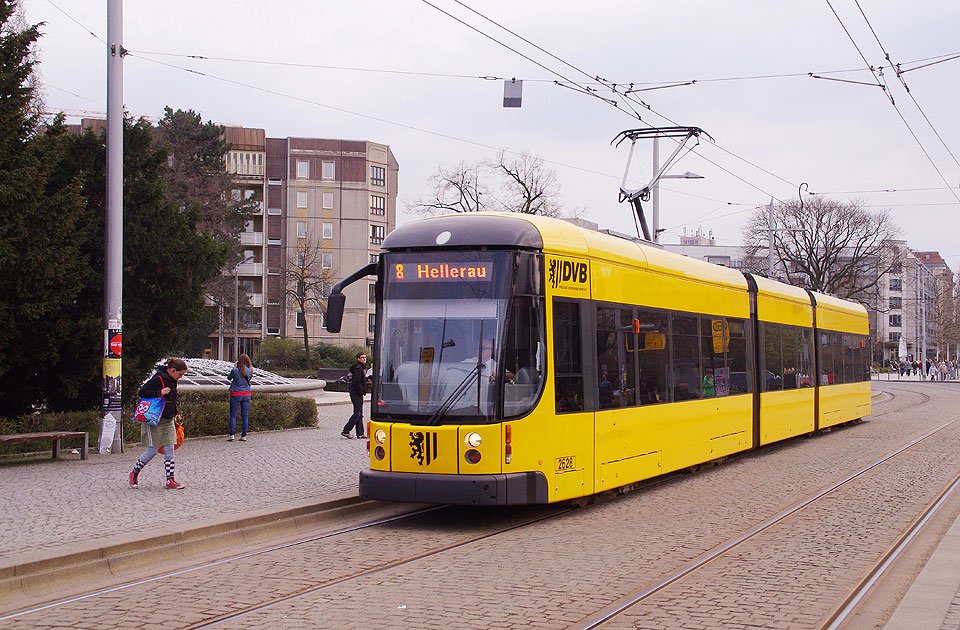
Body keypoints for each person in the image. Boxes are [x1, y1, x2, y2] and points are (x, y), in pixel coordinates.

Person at [129, 358, 188, 490]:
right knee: (152, 450)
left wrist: (175, 413)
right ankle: (135, 472)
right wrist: (159, 392)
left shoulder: (173, 380)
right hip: (154, 420)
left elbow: (172, 398)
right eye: (180, 374)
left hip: (168, 419)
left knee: (169, 449)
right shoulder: (158, 379)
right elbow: (142, 392)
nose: (180, 377)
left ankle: (170, 479)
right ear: (172, 370)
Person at [227, 353, 253, 442]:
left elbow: (229, 378)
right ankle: (243, 435)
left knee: (233, 415)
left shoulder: (235, 370)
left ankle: (232, 435)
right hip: (246, 394)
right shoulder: (250, 370)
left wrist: (234, 367)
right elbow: (249, 379)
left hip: (235, 394)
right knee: (245, 415)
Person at [341, 352, 367, 439]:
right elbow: (356, 382)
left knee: (360, 413)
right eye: (362, 357)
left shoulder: (360, 368)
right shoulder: (358, 368)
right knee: (357, 413)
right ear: (358, 359)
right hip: (356, 393)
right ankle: (346, 430)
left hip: (357, 393)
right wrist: (361, 391)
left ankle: (360, 433)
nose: (364, 359)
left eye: (365, 357)